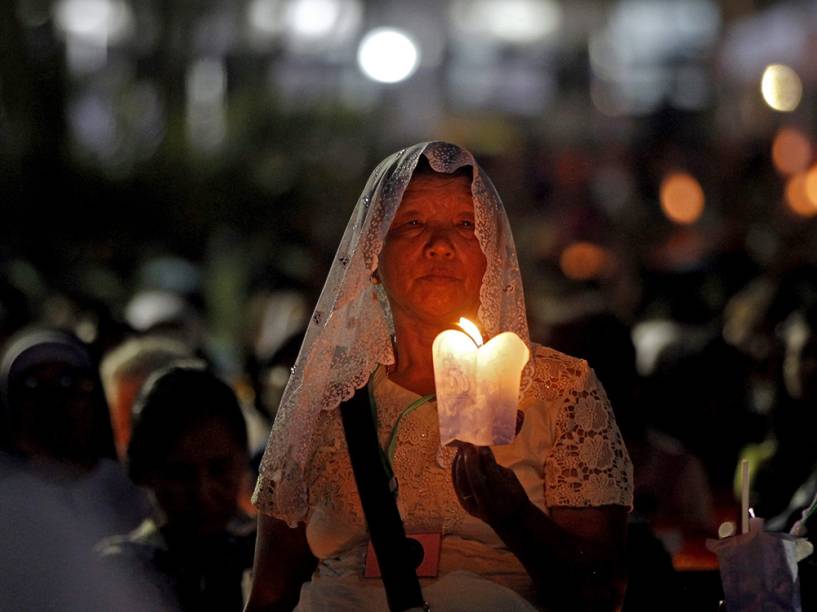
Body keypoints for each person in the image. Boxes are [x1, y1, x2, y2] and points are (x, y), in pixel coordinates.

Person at [246, 142, 633, 612]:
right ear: (372, 253)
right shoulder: (326, 398)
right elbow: (270, 593)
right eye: (411, 224)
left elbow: (599, 592)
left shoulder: (561, 391)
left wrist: (512, 516)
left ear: (492, 250)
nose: (440, 245)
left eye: (466, 225)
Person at [98, 365, 256, 611]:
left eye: (219, 469)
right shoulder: (118, 574)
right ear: (144, 472)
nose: (203, 492)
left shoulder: (272, 563)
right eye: (180, 474)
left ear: (244, 458)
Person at [0, 327, 149, 539]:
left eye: (67, 382)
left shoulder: (130, 490)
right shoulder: (7, 502)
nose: (52, 400)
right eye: (33, 386)